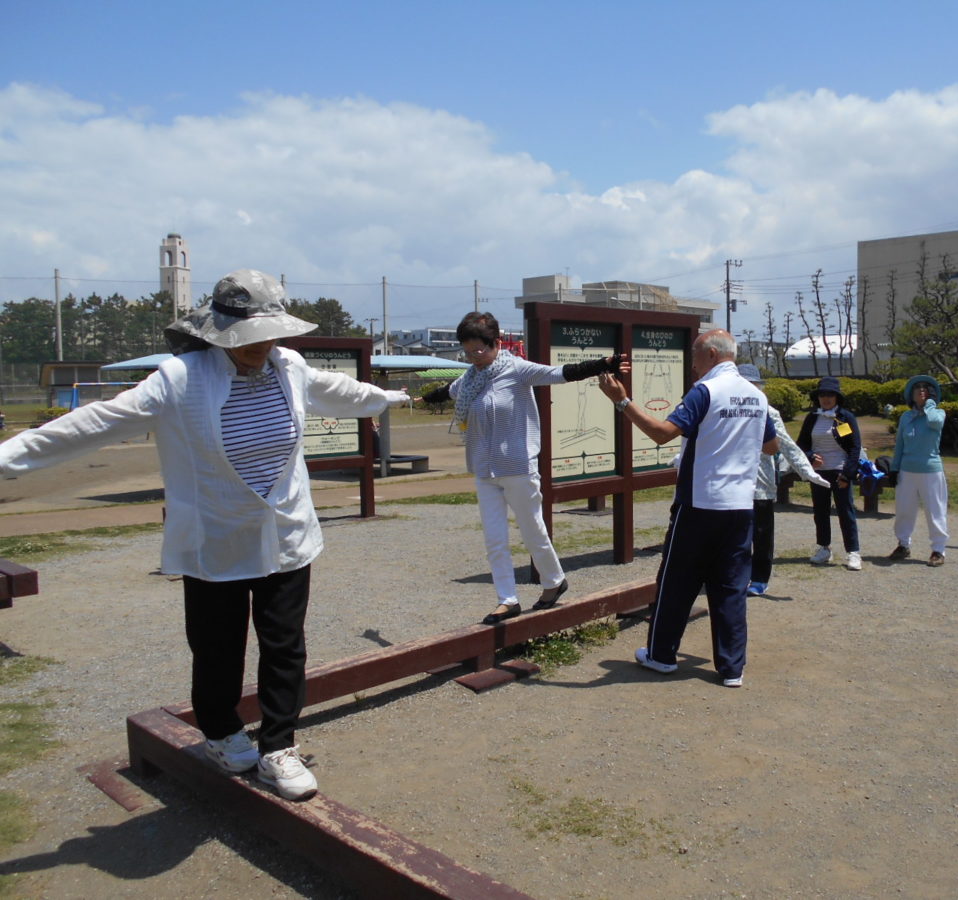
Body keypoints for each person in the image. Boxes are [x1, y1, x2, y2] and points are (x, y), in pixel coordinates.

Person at [0, 269, 410, 801]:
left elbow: (341, 391)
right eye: (249, 338)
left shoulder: (290, 366)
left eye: (269, 335)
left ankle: (279, 745)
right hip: (215, 537)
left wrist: (390, 398)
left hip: (283, 532)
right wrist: (7, 458)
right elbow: (96, 422)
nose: (261, 347)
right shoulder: (180, 379)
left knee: (285, 644)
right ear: (221, 332)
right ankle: (221, 733)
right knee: (217, 648)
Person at [420, 312, 627, 625]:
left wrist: (604, 364)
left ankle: (554, 581)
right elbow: (448, 391)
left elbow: (561, 373)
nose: (475, 356)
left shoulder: (516, 369)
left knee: (532, 531)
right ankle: (507, 599)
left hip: (517, 466)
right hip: (484, 469)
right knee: (494, 538)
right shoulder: (470, 379)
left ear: (497, 343)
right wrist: (417, 398)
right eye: (468, 351)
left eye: (481, 349)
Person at [598, 330, 779, 688]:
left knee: (676, 581)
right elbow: (771, 447)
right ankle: (731, 668)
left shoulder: (706, 391)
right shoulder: (756, 397)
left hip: (699, 503)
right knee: (730, 586)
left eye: (695, 356)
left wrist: (622, 401)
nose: (692, 365)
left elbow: (663, 432)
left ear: (711, 354)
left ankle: (661, 655)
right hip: (740, 505)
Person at [736, 364, 829, 595]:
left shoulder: (768, 412)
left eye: (752, 385)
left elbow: (788, 446)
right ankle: (736, 576)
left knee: (761, 533)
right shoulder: (728, 409)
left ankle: (759, 578)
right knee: (735, 535)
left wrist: (807, 471)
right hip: (733, 483)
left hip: (761, 484)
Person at [797, 376, 863, 570]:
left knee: (845, 511)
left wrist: (847, 474)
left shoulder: (843, 418)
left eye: (830, 395)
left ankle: (853, 552)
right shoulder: (812, 418)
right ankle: (824, 548)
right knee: (820, 512)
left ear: (836, 397)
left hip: (839, 471)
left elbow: (854, 447)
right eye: (822, 395)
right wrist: (810, 456)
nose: (826, 399)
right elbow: (801, 444)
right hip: (819, 472)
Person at [888, 375, 949, 567]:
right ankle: (903, 544)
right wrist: (894, 468)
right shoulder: (906, 417)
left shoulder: (938, 413)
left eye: (926, 388)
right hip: (907, 470)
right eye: (918, 388)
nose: (921, 390)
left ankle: (938, 550)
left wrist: (929, 405)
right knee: (904, 510)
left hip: (931, 470)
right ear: (911, 394)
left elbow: (934, 422)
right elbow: (900, 445)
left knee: (935, 511)